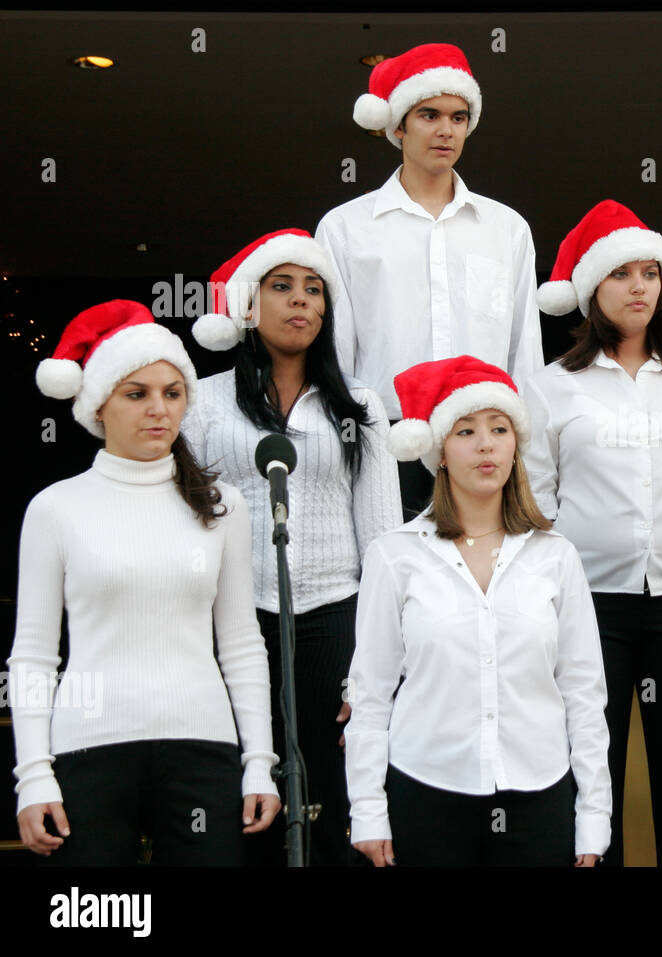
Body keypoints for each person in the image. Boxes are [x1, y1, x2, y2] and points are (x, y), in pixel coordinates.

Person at [11, 301, 279, 865]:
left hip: (204, 750)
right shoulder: (56, 508)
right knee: (100, 918)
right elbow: (34, 656)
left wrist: (260, 760)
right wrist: (33, 774)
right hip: (89, 750)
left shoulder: (221, 506)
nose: (158, 409)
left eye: (172, 392)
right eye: (136, 393)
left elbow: (241, 644)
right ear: (98, 406)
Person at [523, 200, 662, 866]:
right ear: (592, 288)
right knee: (594, 780)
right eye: (622, 273)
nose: (640, 286)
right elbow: (539, 509)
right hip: (590, 608)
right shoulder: (550, 386)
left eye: (650, 271)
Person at [185, 229, 403, 865]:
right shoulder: (202, 402)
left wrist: (375, 660)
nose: (300, 302)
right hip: (236, 621)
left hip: (336, 616)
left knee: (332, 794)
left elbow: (385, 540)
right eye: (282, 287)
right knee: (245, 793)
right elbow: (188, 522)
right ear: (249, 304)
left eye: (314, 290)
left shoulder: (359, 405)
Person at [346, 355, 611, 866]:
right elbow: (371, 695)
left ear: (517, 447)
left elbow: (583, 693)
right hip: (425, 788)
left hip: (539, 792)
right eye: (465, 430)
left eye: (498, 428)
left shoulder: (555, 557)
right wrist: (369, 809)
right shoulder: (395, 555)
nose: (485, 443)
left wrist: (593, 816)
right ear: (440, 452)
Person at [316, 42, 544, 518]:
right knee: (394, 582)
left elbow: (525, 351)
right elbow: (335, 355)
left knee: (485, 582)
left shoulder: (506, 228)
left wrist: (529, 455)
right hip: (387, 441)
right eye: (429, 115)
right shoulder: (345, 227)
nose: (446, 130)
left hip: (485, 440)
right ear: (397, 125)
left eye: (459, 117)